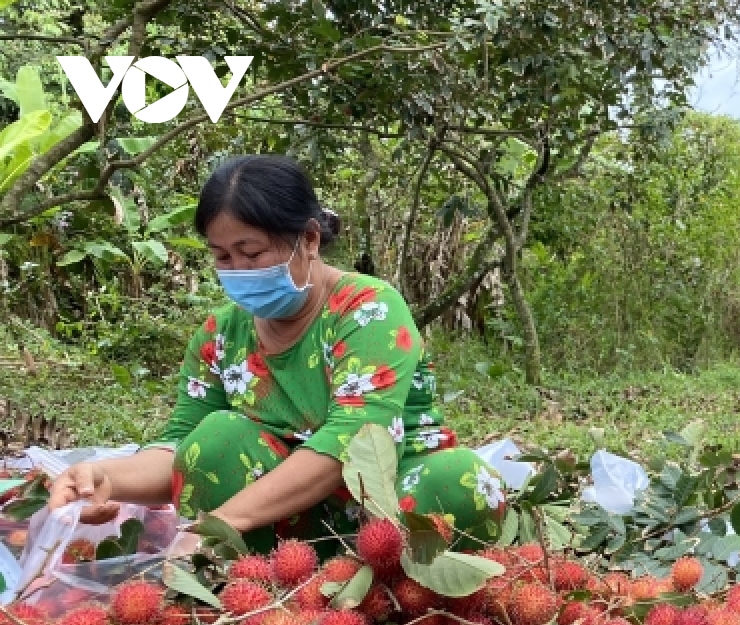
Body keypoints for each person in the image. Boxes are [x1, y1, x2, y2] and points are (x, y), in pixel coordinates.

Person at [48, 155, 506, 552]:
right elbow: (178, 446)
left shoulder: (368, 309)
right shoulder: (221, 332)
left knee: (458, 481)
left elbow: (351, 440)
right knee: (214, 439)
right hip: (284, 517)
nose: (238, 270)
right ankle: (264, 587)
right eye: (223, 257)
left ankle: (395, 589)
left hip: (388, 499)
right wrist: (106, 478)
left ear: (308, 240)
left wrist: (223, 522)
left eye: (251, 252)